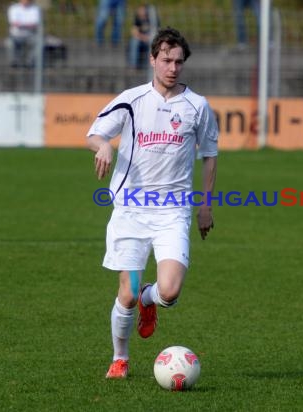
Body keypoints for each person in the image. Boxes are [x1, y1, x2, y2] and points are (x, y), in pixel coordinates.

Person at [86, 27, 219, 379]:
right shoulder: (131, 99)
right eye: (166, 60)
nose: (173, 68)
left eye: (178, 61)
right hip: (130, 211)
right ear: (152, 60)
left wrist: (205, 205)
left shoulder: (197, 106)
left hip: (173, 213)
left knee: (170, 292)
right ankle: (120, 358)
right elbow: (95, 132)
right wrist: (102, 145)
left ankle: (151, 298)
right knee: (125, 296)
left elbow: (209, 155)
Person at [7, 0, 41, 68]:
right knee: (9, 43)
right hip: (16, 35)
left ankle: (30, 63)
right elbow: (14, 23)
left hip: (31, 34)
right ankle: (15, 62)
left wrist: (22, 25)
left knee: (39, 42)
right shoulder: (13, 8)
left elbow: (36, 24)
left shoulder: (36, 9)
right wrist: (28, 25)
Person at [128, 4, 157, 69]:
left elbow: (156, 31)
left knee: (153, 42)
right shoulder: (137, 19)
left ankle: (151, 65)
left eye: (143, 10)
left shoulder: (153, 19)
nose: (141, 12)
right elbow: (134, 32)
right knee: (134, 42)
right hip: (141, 39)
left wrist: (149, 38)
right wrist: (143, 38)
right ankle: (133, 65)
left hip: (151, 39)